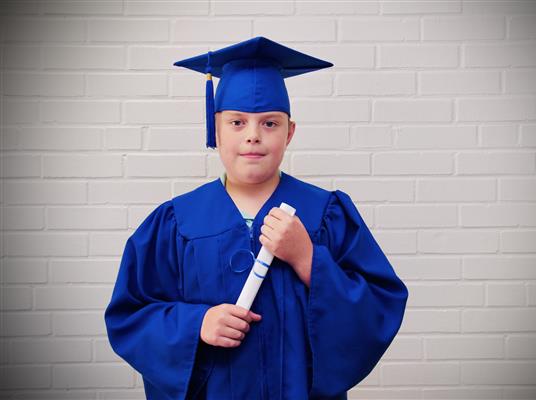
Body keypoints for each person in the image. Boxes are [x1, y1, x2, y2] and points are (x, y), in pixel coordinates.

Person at [104, 36, 408, 400]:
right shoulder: (176, 222)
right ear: (214, 131)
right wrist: (195, 324)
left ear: (289, 132)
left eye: (269, 124)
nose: (252, 136)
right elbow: (130, 315)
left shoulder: (326, 214)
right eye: (236, 123)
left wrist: (308, 258)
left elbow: (379, 305)